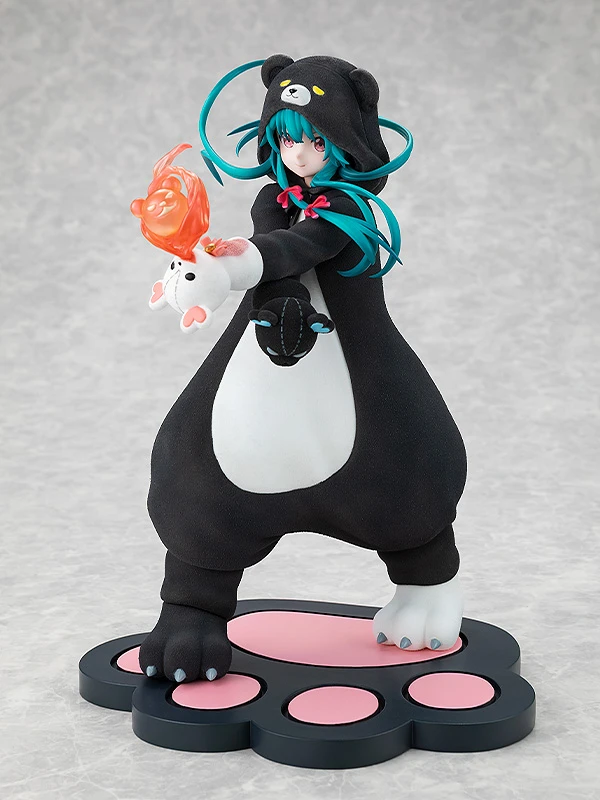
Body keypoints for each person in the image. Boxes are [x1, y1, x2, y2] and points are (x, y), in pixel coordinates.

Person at [139, 54, 467, 684]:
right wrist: (212, 271)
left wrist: (231, 269)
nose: (298, 153)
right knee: (200, 479)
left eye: (316, 140)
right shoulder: (273, 199)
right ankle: (191, 609)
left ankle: (426, 584)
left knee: (404, 474)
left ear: (348, 140)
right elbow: (273, 246)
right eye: (286, 139)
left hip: (358, 389)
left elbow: (302, 245)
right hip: (263, 378)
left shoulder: (351, 210)